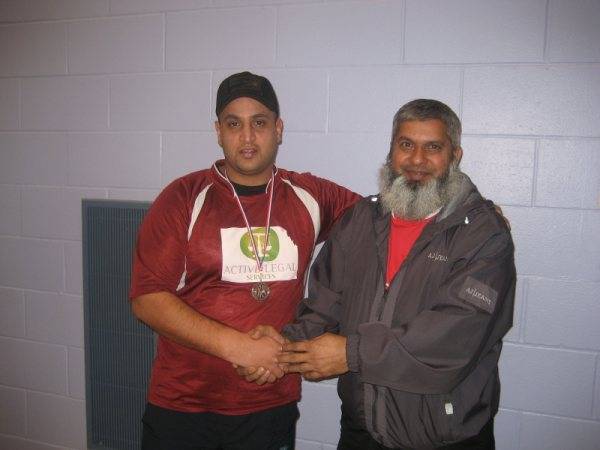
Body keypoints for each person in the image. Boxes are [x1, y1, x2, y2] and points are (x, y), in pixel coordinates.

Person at [129, 71, 361, 450]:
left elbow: (386, 218)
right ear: (218, 131)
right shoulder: (184, 197)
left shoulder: (310, 195)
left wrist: (466, 213)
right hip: (183, 407)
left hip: (270, 405)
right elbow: (147, 299)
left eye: (260, 123)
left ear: (279, 129)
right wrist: (240, 347)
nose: (248, 137)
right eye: (234, 124)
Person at [271, 99, 516, 449]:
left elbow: (454, 338)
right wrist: (284, 347)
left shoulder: (483, 234)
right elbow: (325, 302)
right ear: (391, 152)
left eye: (433, 147)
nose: (417, 160)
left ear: (455, 156)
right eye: (406, 145)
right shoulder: (360, 220)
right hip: (362, 432)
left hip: (444, 436)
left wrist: (350, 354)